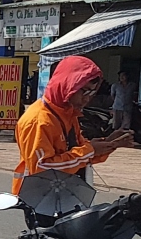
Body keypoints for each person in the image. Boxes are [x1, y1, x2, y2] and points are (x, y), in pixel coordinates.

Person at [13, 56, 132, 195]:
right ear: (68, 85)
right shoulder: (38, 121)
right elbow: (42, 169)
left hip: (63, 193)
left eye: (92, 92)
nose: (87, 98)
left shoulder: (68, 113)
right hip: (38, 197)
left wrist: (110, 143)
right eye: (85, 91)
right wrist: (90, 151)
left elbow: (78, 154)